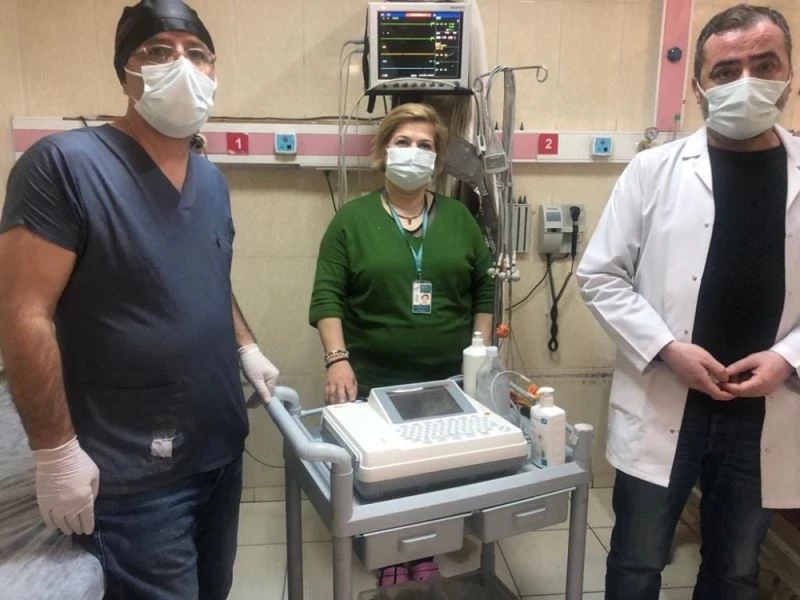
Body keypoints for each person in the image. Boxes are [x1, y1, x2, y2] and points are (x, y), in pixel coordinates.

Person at [0, 1, 280, 598]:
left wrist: (247, 347)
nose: (182, 65)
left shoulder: (210, 180)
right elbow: (22, 313)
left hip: (217, 449)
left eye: (197, 54)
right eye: (158, 51)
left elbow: (208, 277)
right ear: (125, 71)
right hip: (131, 475)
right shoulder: (62, 165)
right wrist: (55, 452)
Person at [577, 5, 799, 600]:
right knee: (637, 561)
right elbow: (599, 276)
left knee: (735, 570)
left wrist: (788, 358)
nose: (745, 82)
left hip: (766, 407)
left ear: (789, 74)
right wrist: (667, 348)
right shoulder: (652, 171)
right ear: (699, 87)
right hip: (665, 394)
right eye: (725, 71)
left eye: (764, 65)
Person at [309, 102, 495, 585]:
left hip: (447, 380)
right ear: (383, 151)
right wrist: (337, 360)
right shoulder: (351, 221)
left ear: (437, 159)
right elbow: (327, 296)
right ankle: (389, 551)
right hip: (374, 380)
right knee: (387, 470)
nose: (414, 152)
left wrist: (479, 356)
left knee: (434, 467)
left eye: (425, 145)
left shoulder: (459, 219)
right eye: (403, 142)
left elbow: (484, 289)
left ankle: (427, 545)